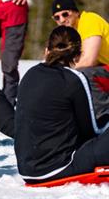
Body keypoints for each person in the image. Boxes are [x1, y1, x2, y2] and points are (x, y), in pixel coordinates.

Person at [14, 26, 109, 184]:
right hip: (60, 167)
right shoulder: (74, 79)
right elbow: (91, 131)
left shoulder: (30, 74)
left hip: (27, 169)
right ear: (78, 56)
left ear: (47, 51)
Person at [51, 0, 109, 129]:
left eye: (65, 14)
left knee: (84, 74)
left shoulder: (89, 20)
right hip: (104, 70)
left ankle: (104, 119)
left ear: (76, 12)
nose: (62, 20)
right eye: (57, 17)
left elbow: (89, 60)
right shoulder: (72, 34)